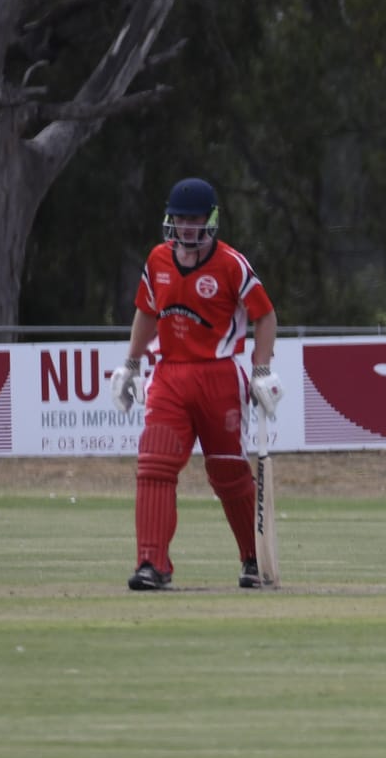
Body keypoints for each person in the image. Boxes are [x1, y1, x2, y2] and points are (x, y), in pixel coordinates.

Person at [110, 178, 282, 591]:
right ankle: (152, 564)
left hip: (219, 375)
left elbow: (266, 316)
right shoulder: (157, 260)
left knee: (228, 473)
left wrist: (261, 370)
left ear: (211, 221)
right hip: (170, 375)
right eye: (181, 220)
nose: (187, 228)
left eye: (195, 220)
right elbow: (146, 312)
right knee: (154, 463)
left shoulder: (230, 264)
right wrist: (131, 364)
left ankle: (252, 558)